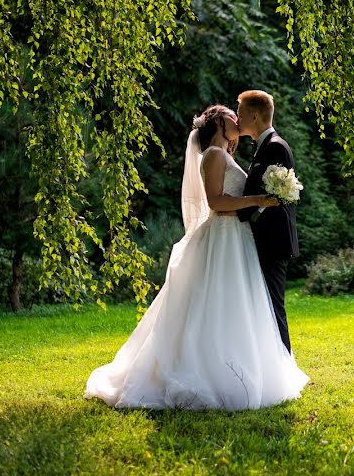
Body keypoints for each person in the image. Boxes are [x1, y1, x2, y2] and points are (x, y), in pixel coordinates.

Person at [84, 104, 309, 410]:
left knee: (234, 306)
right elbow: (216, 201)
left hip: (236, 237)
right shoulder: (215, 155)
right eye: (232, 116)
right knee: (215, 304)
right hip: (222, 235)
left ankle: (239, 366)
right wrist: (258, 199)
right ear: (218, 122)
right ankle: (207, 370)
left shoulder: (224, 154)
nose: (237, 120)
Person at [235, 90, 298, 353]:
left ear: (254, 115)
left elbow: (278, 197)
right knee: (265, 304)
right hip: (264, 238)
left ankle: (285, 366)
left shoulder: (274, 147)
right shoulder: (263, 146)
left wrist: (246, 211)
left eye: (239, 113)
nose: (237, 119)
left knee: (273, 304)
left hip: (273, 239)